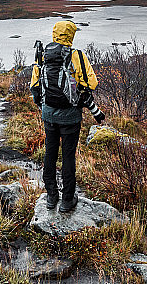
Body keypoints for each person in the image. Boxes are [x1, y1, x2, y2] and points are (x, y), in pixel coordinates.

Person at [30, 20, 105, 213]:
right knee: (68, 157)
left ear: (55, 34)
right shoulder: (77, 56)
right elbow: (92, 83)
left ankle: (51, 197)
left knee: (50, 154)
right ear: (71, 35)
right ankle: (67, 200)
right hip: (70, 116)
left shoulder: (44, 55)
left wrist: (45, 105)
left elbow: (35, 86)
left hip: (48, 114)